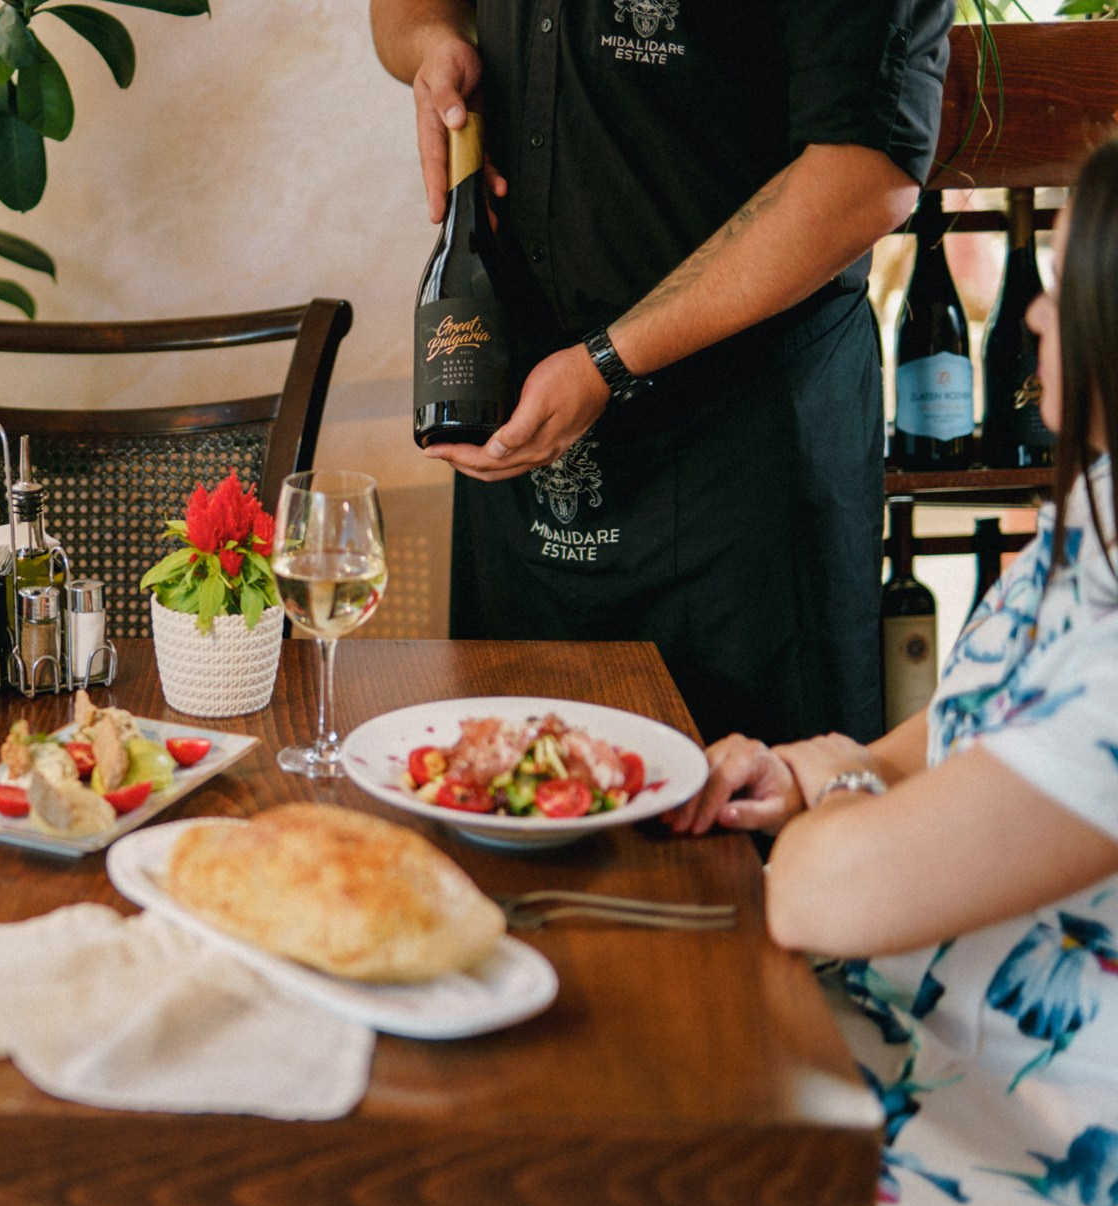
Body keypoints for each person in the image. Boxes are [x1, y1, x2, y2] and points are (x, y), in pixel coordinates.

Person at [363, 135, 1118, 1206]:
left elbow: (812, 899)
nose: (1030, 319)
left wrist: (839, 809)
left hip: (1013, 1144)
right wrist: (822, 764)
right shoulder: (1092, 523)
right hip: (895, 1014)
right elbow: (963, 721)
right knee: (468, 1135)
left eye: (1061, 293)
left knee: (515, 1180)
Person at [370, 0, 953, 745]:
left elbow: (866, 174)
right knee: (511, 782)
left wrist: (607, 362)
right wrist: (436, 45)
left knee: (750, 802)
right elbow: (403, 12)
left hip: (739, 457)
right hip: (527, 440)